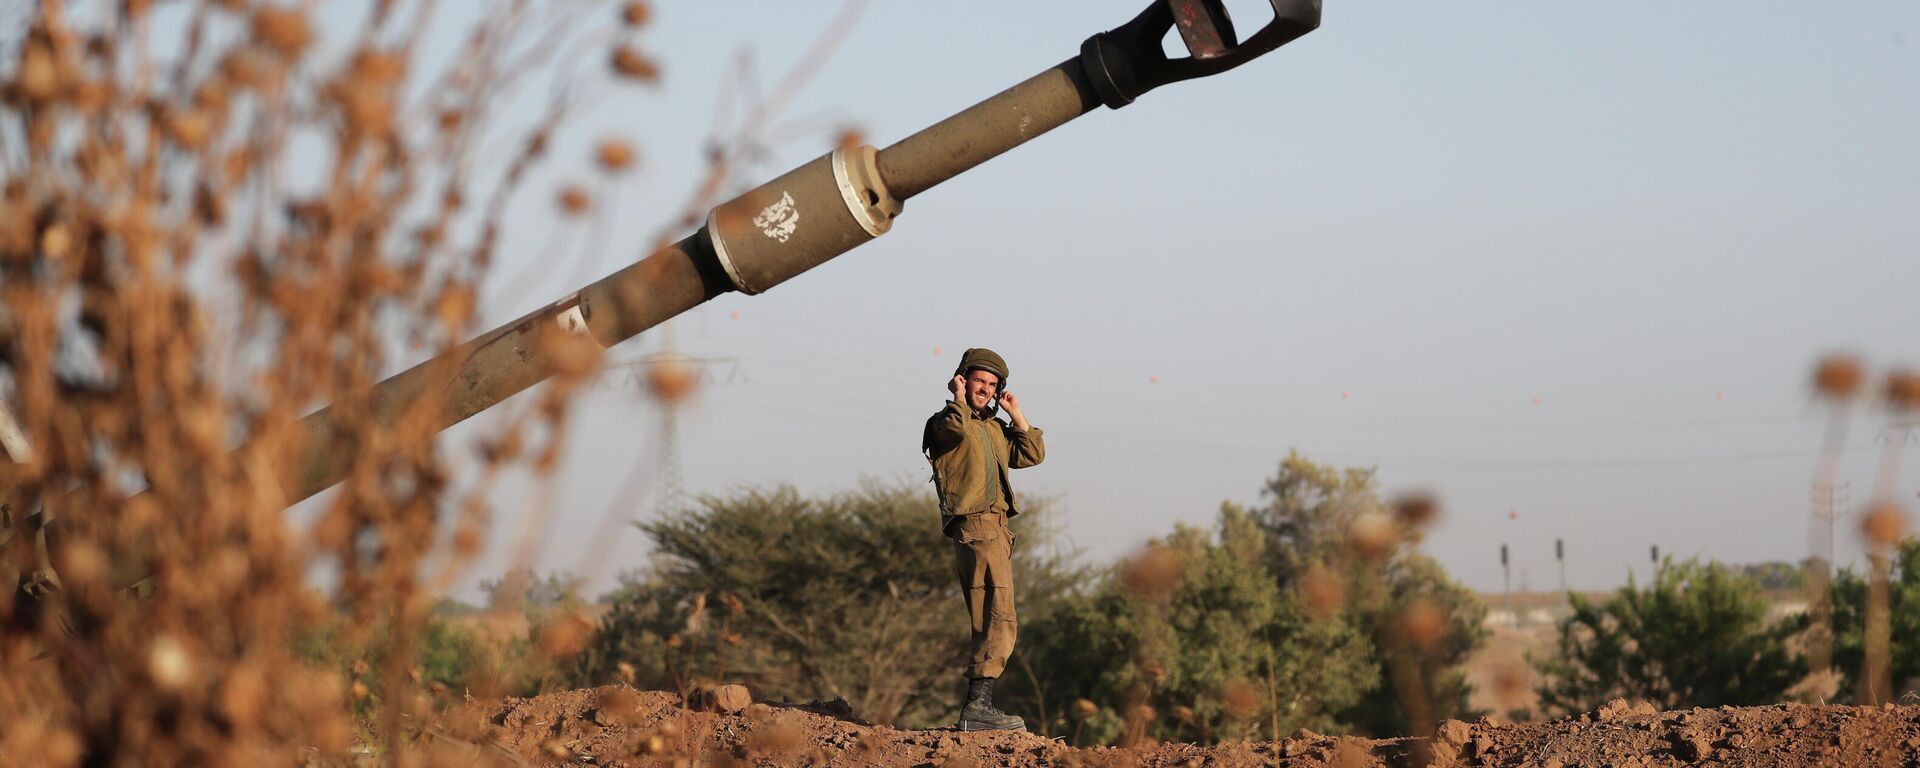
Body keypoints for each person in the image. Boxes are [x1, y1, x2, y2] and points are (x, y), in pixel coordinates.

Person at [922, 348, 1045, 732]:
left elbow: (1032, 453)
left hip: (996, 529)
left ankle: (979, 705)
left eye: (993, 385)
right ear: (963, 378)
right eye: (980, 381)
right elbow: (954, 429)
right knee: (998, 613)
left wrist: (1015, 413)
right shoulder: (945, 420)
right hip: (975, 526)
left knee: (993, 612)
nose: (986, 389)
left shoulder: (993, 428)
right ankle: (978, 707)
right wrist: (958, 397)